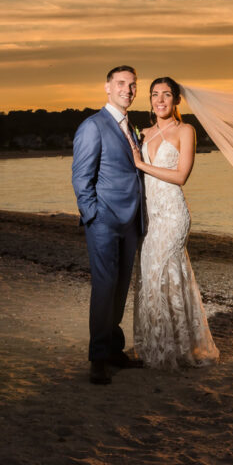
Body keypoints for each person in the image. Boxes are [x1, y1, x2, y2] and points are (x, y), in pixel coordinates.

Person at [128, 77, 219, 368]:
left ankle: (177, 349)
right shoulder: (143, 133)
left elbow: (181, 176)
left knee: (167, 277)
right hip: (149, 216)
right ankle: (155, 347)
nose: (160, 100)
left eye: (166, 95)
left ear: (177, 100)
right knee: (150, 280)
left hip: (173, 214)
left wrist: (140, 164)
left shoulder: (186, 130)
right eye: (155, 95)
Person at [71, 65, 145, 384]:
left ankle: (114, 350)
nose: (127, 90)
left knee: (119, 290)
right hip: (104, 222)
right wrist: (93, 215)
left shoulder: (133, 127)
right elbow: (81, 177)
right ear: (107, 87)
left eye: (132, 85)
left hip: (131, 223)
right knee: (104, 289)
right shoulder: (93, 126)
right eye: (121, 84)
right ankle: (98, 359)